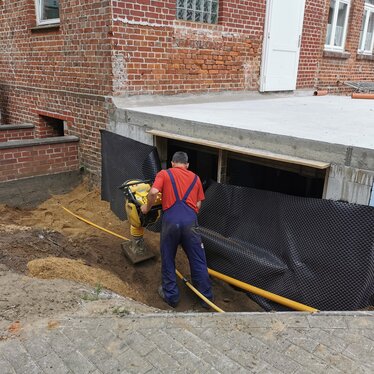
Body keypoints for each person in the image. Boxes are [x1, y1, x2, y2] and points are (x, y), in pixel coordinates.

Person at [141, 151, 213, 308]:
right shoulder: (195, 178)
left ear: (172, 163)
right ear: (187, 165)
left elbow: (153, 192)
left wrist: (146, 208)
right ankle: (206, 299)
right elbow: (198, 204)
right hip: (190, 222)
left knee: (168, 258)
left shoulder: (164, 174)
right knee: (198, 259)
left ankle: (171, 296)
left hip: (171, 221)